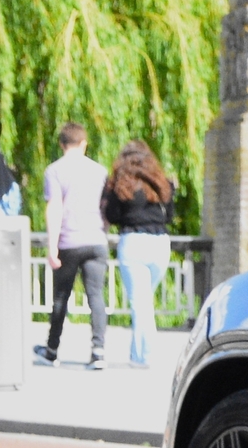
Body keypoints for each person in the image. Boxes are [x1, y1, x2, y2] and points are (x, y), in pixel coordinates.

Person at [36, 122, 110, 369]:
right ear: (84, 143)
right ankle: (98, 352)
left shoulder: (54, 171)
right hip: (96, 241)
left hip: (69, 242)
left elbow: (55, 208)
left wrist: (52, 246)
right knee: (96, 297)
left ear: (61, 144)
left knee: (60, 297)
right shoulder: (99, 171)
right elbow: (106, 208)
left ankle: (51, 350)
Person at [103, 140, 175, 369]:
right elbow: (170, 217)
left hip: (134, 242)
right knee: (144, 302)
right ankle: (138, 353)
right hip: (161, 244)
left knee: (140, 303)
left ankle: (143, 356)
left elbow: (112, 215)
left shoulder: (121, 184)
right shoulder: (163, 184)